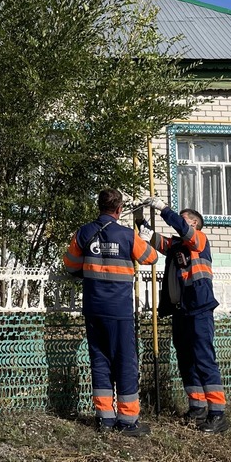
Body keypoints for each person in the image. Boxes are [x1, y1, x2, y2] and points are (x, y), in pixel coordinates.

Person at [64, 187, 159, 437]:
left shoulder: (84, 232)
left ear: (99, 206)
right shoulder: (128, 235)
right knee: (125, 361)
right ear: (119, 209)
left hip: (94, 308)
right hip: (119, 310)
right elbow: (151, 257)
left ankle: (104, 418)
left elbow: (71, 264)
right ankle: (127, 420)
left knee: (100, 360)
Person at [139, 197, 228, 434]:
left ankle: (217, 413)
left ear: (195, 224)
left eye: (185, 218)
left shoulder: (199, 240)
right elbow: (158, 241)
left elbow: (182, 228)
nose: (181, 220)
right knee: (186, 360)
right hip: (181, 312)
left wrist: (164, 210)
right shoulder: (178, 246)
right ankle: (197, 408)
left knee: (204, 359)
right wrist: (140, 218)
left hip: (199, 309)